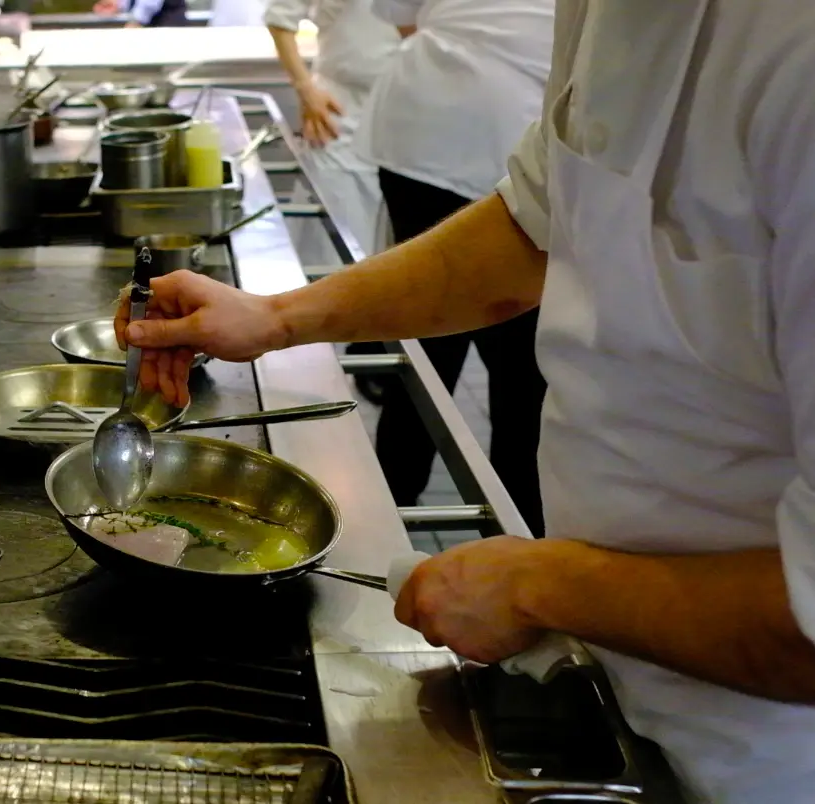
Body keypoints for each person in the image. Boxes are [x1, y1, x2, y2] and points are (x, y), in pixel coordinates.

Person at [113, 0, 815, 799]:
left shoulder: (792, 52)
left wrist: (539, 585)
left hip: (761, 756)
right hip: (613, 683)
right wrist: (274, 317)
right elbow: (534, 226)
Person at [359, 0, 555, 534]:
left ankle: (382, 527)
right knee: (519, 373)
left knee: (421, 347)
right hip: (508, 131)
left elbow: (401, 16)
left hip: (423, 118)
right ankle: (513, 544)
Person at [265, 0, 398, 257]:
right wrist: (306, 89)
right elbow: (280, 19)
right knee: (334, 245)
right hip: (338, 114)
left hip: (405, 118)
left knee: (399, 252)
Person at [92, 0, 188, 27]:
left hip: (166, 28)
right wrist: (117, 4)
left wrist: (136, 22)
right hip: (148, 28)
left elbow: (149, 4)